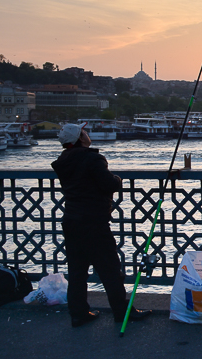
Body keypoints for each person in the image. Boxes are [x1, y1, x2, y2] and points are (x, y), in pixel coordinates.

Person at [51, 124, 151, 327]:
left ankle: (78, 313)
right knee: (110, 269)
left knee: (77, 271)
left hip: (71, 221)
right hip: (94, 222)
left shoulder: (62, 161)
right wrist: (117, 178)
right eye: (84, 133)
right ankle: (121, 312)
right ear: (79, 138)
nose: (88, 135)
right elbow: (109, 184)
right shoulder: (92, 158)